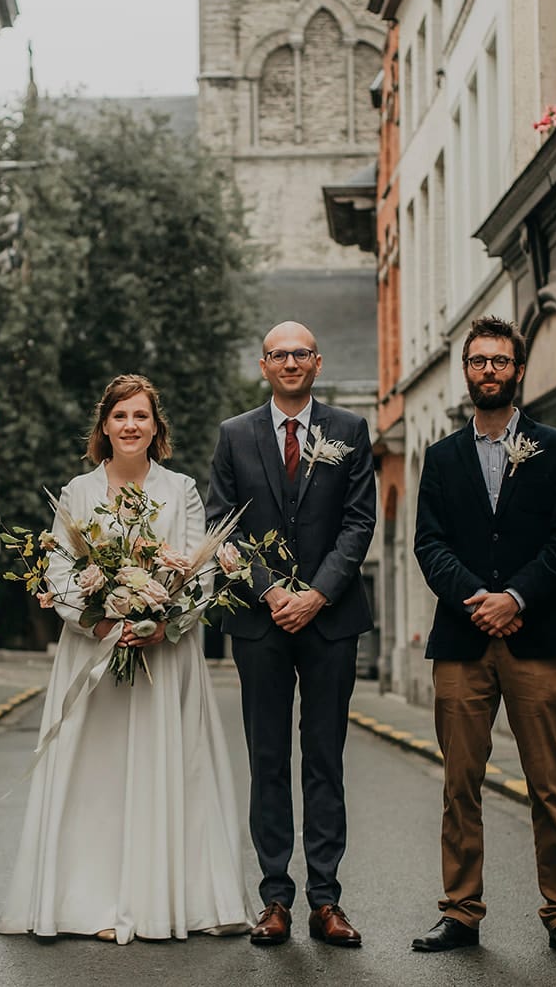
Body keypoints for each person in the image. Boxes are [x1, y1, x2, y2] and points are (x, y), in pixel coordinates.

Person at [0, 374, 251, 945]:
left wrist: (164, 621)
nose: (131, 425)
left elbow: (198, 570)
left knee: (168, 771)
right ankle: (86, 898)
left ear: (156, 427)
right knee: (96, 776)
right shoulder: (77, 491)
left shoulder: (182, 490)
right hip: (94, 654)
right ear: (104, 426)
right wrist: (98, 621)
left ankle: (168, 899)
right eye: (120, 416)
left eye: (141, 416)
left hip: (164, 657)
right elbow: (60, 570)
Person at [410, 315, 556, 960]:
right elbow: (429, 544)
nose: (488, 371)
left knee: (549, 786)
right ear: (466, 371)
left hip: (536, 638)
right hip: (462, 644)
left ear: (517, 370)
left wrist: (515, 597)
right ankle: (460, 912)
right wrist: (478, 602)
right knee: (460, 785)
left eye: (499, 361)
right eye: (478, 361)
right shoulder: (441, 457)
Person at [204, 322, 376, 947]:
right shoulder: (235, 434)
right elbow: (222, 524)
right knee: (268, 760)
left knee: (325, 760)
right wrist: (272, 591)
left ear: (317, 363)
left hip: (331, 621)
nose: (291, 362)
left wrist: (317, 594)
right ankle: (275, 897)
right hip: (261, 622)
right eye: (279, 354)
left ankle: (326, 900)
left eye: (301, 353)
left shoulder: (350, 430)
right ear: (264, 366)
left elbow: (358, 523)